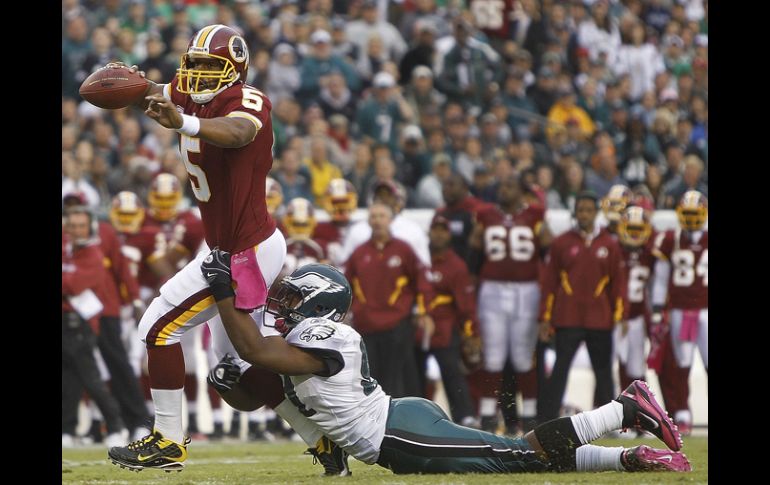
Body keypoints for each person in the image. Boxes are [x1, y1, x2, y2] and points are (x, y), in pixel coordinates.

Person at [199, 253, 690, 474]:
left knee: (517, 455)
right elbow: (258, 391)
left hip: (398, 434)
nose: (280, 307)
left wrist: (224, 291)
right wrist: (228, 387)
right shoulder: (301, 342)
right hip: (398, 426)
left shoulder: (324, 335)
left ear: (317, 305)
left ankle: (625, 409)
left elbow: (256, 352)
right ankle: (629, 457)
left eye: (290, 298)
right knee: (514, 460)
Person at [105, 25, 315, 471]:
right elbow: (157, 93)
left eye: (209, 67)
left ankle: (168, 440)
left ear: (235, 70)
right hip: (230, 246)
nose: (197, 76)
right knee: (239, 366)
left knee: (158, 326)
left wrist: (183, 121)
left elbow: (237, 132)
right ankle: (322, 439)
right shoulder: (190, 94)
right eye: (193, 65)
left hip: (246, 250)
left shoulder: (248, 101)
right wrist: (132, 85)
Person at [467, 175, 553, 433]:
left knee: (524, 357)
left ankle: (529, 419)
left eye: (509, 186)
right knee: (492, 356)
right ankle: (487, 418)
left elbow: (549, 251)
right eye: (502, 185)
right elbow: (473, 252)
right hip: (492, 289)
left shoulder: (536, 215)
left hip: (527, 290)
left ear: (521, 192)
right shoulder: (485, 215)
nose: (503, 189)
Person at [538, 191, 627, 422]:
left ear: (596, 212)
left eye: (588, 210)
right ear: (575, 213)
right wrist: (545, 317)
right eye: (580, 210)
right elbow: (549, 283)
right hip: (568, 317)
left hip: (600, 318)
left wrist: (621, 315)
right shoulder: (561, 243)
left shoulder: (610, 244)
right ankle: (547, 420)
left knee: (603, 372)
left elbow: (619, 282)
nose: (584, 215)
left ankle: (609, 422)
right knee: (560, 370)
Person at [650, 190, 708, 435]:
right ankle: (683, 413)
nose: (692, 218)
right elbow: (661, 279)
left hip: (706, 309)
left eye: (696, 213)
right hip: (680, 310)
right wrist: (656, 309)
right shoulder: (670, 239)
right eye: (688, 213)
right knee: (681, 364)